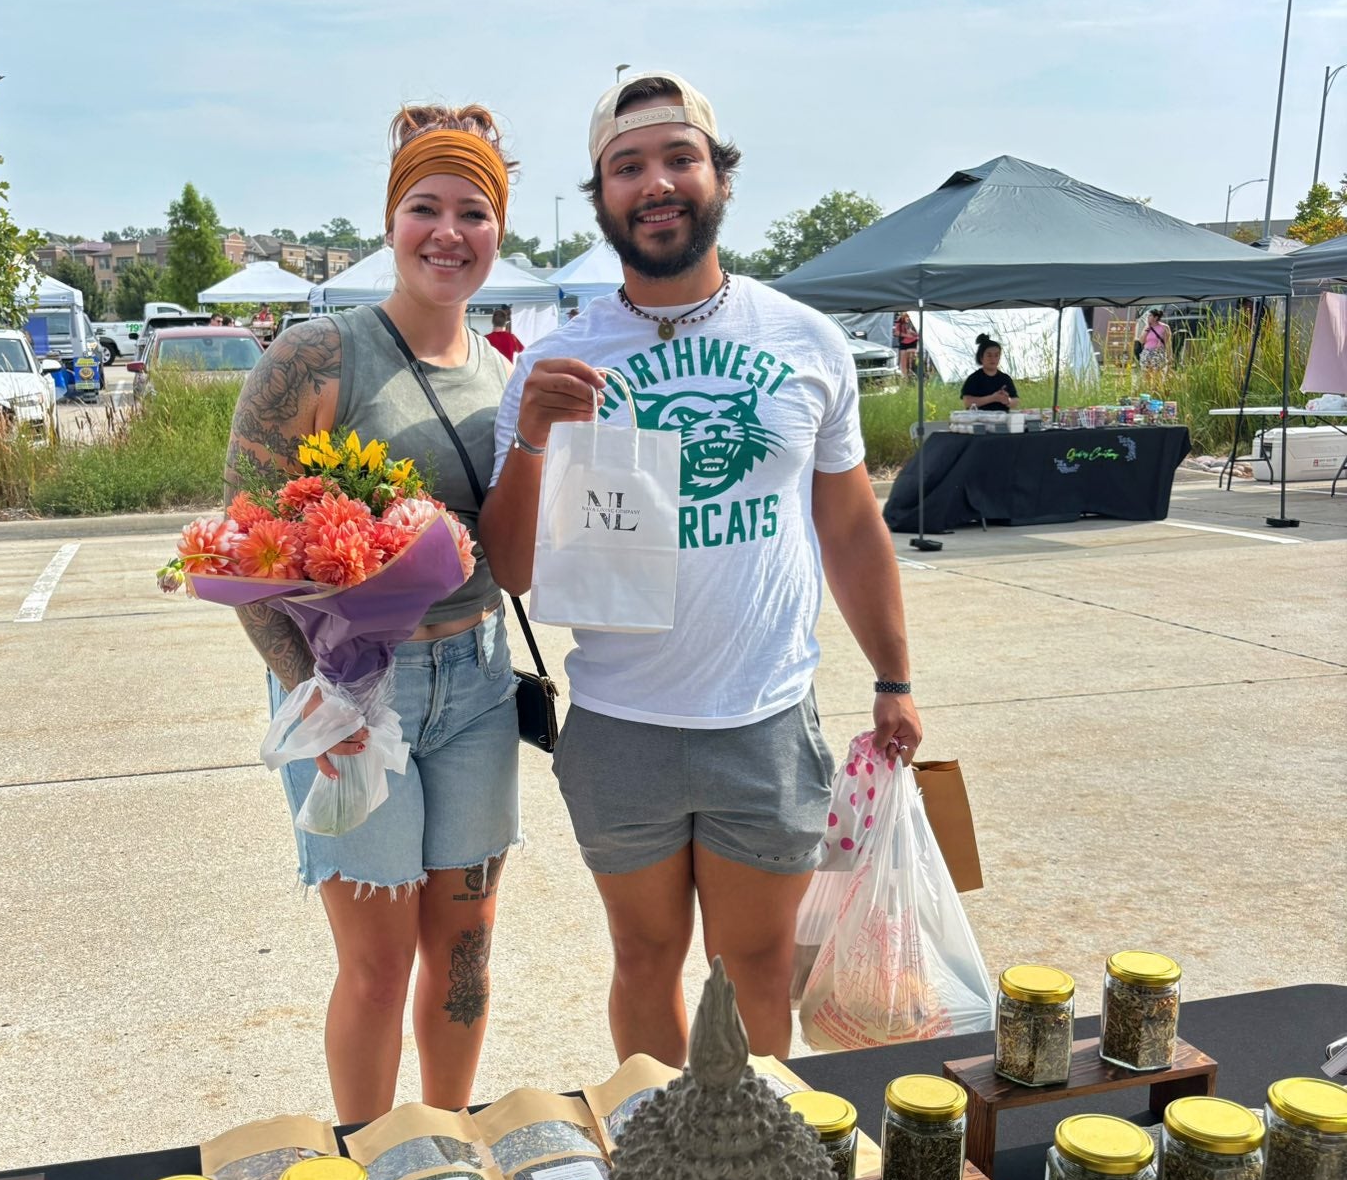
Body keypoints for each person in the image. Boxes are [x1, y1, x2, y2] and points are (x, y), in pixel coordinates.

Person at [481, 71, 922, 1066]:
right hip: (621, 722)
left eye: (678, 157)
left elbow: (849, 525)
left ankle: (753, 1173)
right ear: (602, 198)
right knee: (644, 958)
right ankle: (659, 1155)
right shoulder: (554, 361)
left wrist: (894, 677)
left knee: (756, 967)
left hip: (762, 717)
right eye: (626, 166)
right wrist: (534, 441)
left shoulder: (805, 341)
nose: (656, 183)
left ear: (719, 175)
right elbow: (508, 563)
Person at [224, 103, 521, 1124]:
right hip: (352, 688)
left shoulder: (508, 376)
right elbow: (243, 542)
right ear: (391, 219)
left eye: (473, 211)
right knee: (379, 962)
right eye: (425, 207)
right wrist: (322, 692)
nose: (449, 231)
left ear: (499, 229)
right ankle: (369, 1165)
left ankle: (446, 1150)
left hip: (479, 686)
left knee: (465, 951)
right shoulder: (317, 359)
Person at [960, 335, 1017, 408]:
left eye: (996, 355)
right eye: (989, 355)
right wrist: (993, 398)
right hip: (978, 418)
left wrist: (1007, 400)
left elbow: (1015, 400)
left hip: (1001, 417)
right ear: (981, 357)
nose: (993, 359)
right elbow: (967, 402)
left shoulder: (1005, 378)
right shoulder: (974, 378)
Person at [893, 309, 919, 377]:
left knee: (911, 358)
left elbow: (919, 333)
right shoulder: (900, 320)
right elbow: (896, 332)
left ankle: (912, 373)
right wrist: (907, 335)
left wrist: (912, 333)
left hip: (913, 341)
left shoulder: (915, 319)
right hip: (903, 342)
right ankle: (904, 376)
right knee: (903, 361)